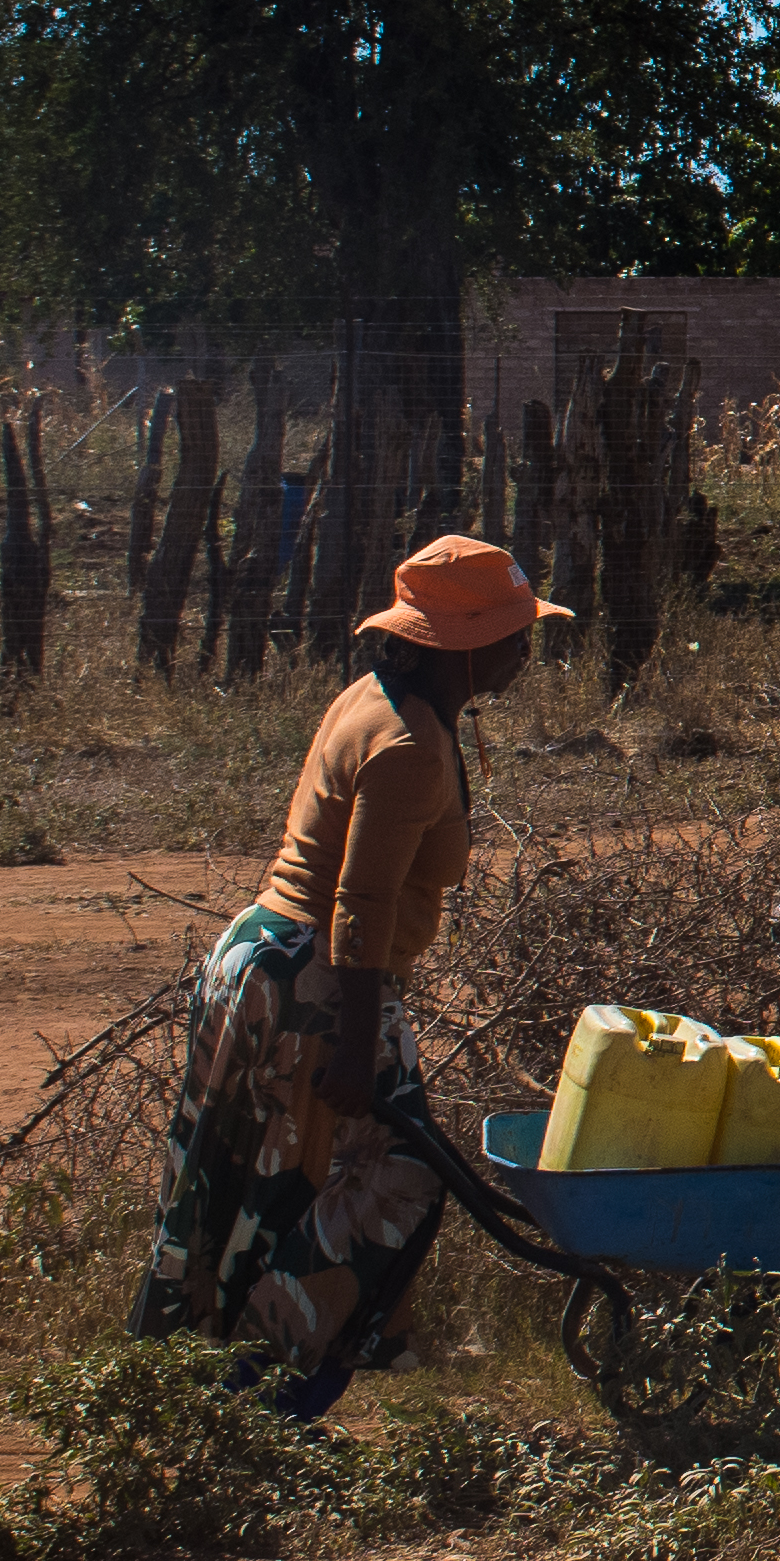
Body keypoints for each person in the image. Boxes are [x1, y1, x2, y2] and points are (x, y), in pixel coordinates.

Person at [134, 535, 567, 1414]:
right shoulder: (409, 744)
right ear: (463, 641)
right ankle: (265, 1400)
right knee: (396, 1185)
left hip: (260, 957)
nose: (529, 648)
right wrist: (358, 1038)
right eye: (517, 632)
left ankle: (188, 1395)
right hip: (322, 986)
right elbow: (361, 899)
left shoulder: (375, 698)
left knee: (252, 1182)